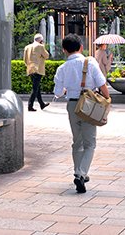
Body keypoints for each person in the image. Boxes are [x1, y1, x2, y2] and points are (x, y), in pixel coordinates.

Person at [53, 34, 110, 194]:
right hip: (89, 104)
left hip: (72, 105)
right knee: (90, 143)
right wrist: (107, 99)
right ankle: (81, 174)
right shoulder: (90, 62)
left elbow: (58, 92)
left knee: (76, 142)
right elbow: (101, 84)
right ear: (81, 48)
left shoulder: (62, 68)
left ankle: (78, 171)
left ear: (64, 50)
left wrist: (67, 89)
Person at [24, 33, 50, 112]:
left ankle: (41, 104)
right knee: (35, 88)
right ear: (40, 40)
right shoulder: (40, 46)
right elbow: (47, 56)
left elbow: (25, 59)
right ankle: (30, 105)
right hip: (38, 69)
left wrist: (29, 66)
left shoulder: (27, 47)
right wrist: (43, 46)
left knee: (37, 87)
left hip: (30, 69)